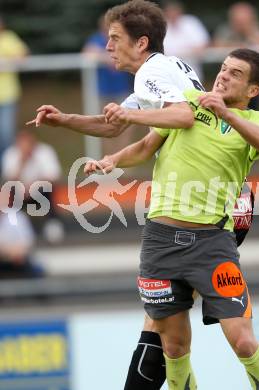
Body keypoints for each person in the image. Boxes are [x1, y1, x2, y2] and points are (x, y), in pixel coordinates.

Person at [27, 1, 203, 388]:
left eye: (114, 38)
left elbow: (183, 116)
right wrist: (65, 119)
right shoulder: (166, 69)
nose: (107, 46)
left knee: (168, 324)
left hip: (193, 210)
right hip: (205, 205)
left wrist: (131, 118)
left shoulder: (151, 74)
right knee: (168, 329)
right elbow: (113, 125)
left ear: (141, 43)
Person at [84, 48, 259, 390]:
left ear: (253, 91)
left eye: (236, 73)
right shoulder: (189, 102)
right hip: (161, 243)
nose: (223, 76)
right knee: (174, 348)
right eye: (223, 69)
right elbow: (147, 146)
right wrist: (112, 160)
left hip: (213, 246)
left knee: (244, 342)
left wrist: (227, 114)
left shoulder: (255, 122)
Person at [82, 14, 134, 155]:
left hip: (123, 93)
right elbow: (88, 53)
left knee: (125, 131)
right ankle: (108, 165)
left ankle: (125, 167)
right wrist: (107, 58)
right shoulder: (96, 39)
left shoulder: (123, 40)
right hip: (103, 93)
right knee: (104, 130)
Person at [1, 129, 64, 243]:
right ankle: (14, 228)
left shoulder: (45, 152)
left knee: (47, 190)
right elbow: (9, 180)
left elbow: (53, 177)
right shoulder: (11, 154)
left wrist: (34, 186)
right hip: (19, 192)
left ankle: (52, 225)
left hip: (41, 191)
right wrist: (22, 162)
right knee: (11, 193)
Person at [0, 15, 29, 164]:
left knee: (6, 134)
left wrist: (11, 61)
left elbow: (23, 54)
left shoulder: (8, 38)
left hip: (7, 96)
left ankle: (7, 171)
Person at [162, 0, 210, 79]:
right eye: (170, 10)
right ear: (166, 12)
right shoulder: (162, 25)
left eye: (174, 10)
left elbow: (203, 44)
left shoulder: (191, 22)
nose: (172, 13)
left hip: (192, 71)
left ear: (180, 10)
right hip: (167, 73)